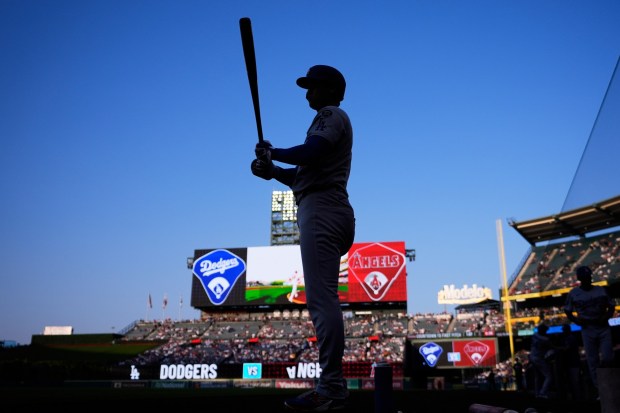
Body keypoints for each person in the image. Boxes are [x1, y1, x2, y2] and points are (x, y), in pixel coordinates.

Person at [250, 64, 355, 411]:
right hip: (326, 204)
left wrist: (274, 152)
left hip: (323, 208)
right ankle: (331, 386)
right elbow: (302, 174)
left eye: (312, 86)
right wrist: (273, 169)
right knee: (323, 298)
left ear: (328, 89)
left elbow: (311, 154)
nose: (307, 93)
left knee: (321, 299)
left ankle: (331, 389)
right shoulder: (325, 120)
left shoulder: (331, 114)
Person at [564, 265, 615, 393]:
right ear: (580, 278)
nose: (587, 279)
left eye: (588, 276)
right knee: (593, 361)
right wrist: (576, 321)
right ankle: (600, 390)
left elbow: (612, 306)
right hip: (587, 328)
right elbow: (567, 311)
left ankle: (611, 385)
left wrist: (606, 317)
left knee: (608, 358)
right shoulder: (574, 293)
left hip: (603, 326)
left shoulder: (600, 290)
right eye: (584, 277)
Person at [528, 323, 555, 399]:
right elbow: (551, 346)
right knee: (549, 376)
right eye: (545, 330)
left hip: (532, 357)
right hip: (538, 358)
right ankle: (542, 393)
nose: (546, 331)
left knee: (537, 376)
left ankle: (537, 393)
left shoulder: (534, 335)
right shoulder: (546, 339)